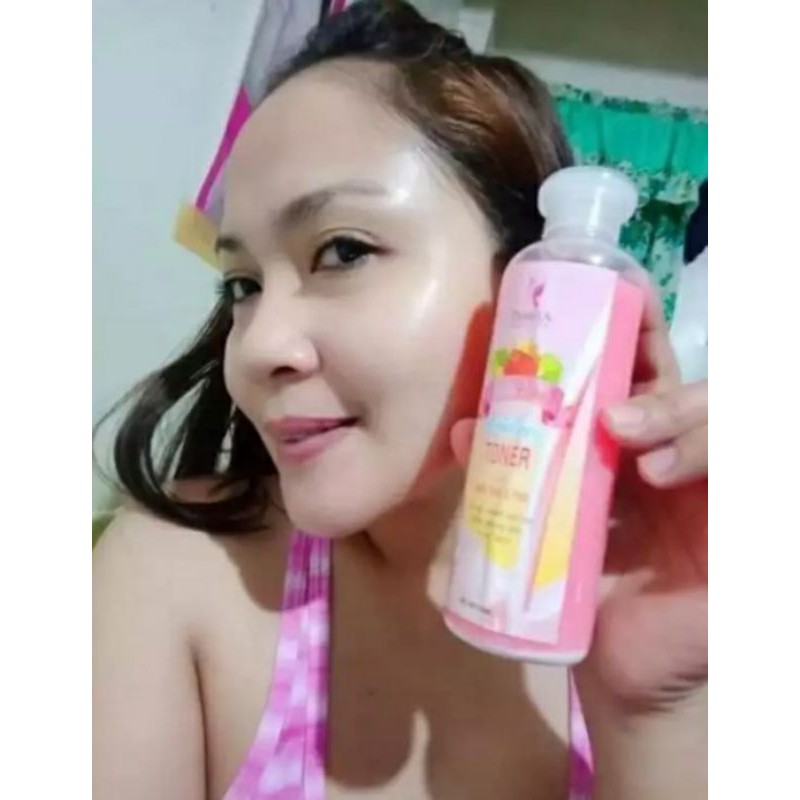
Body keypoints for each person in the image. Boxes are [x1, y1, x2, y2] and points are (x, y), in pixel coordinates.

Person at [93, 2, 708, 798]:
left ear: (533, 282)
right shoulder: (175, 574)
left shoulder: (681, 599)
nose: (257, 345)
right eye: (242, 285)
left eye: (343, 250)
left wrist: (655, 719)